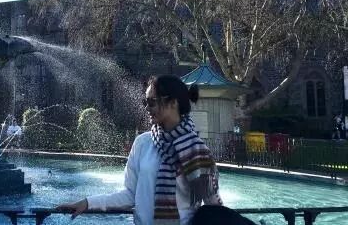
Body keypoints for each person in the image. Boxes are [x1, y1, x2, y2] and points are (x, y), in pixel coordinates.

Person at [57, 74, 254, 225]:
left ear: (173, 103)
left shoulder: (197, 150)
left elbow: (213, 206)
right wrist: (87, 203)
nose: (147, 108)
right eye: (145, 102)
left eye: (152, 102)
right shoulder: (143, 143)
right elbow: (129, 195)